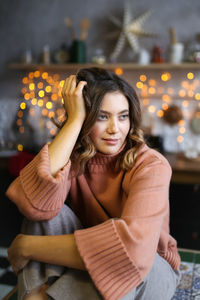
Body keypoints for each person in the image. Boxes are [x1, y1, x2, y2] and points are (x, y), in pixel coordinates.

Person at [6, 67, 180, 300]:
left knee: (125, 265)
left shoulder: (151, 165)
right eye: (102, 116)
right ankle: (34, 294)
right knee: (46, 213)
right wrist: (74, 121)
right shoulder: (75, 156)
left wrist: (27, 245)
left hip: (149, 269)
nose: (114, 129)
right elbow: (32, 204)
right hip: (88, 261)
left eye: (123, 116)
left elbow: (132, 251)